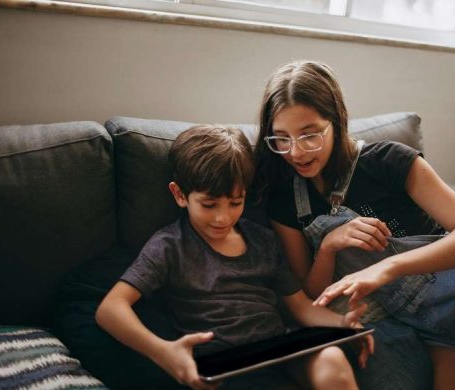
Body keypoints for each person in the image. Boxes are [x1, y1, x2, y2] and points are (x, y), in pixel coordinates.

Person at [253, 60, 455, 389]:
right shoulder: (285, 198)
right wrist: (330, 246)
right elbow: (312, 295)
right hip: (427, 327)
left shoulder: (388, 161)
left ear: (336, 121)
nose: (296, 152)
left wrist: (387, 267)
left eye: (310, 135)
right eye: (281, 139)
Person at [95, 124, 373, 390]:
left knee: (332, 360)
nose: (222, 217)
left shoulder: (262, 239)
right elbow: (110, 309)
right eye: (209, 204)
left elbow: (299, 307)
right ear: (180, 195)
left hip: (281, 348)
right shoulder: (169, 246)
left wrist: (344, 325)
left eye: (235, 203)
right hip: (227, 366)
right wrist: (164, 353)